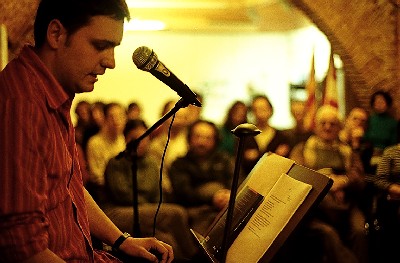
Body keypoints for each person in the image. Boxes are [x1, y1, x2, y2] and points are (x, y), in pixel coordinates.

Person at [0, 0, 174, 262]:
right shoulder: (21, 104)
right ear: (56, 34)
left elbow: (69, 185)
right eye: (100, 46)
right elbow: (23, 246)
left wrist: (122, 241)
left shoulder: (50, 93)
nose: (111, 62)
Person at [103, 119, 198, 260]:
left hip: (147, 213)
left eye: (144, 138)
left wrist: (155, 211)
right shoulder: (116, 162)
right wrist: (153, 209)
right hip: (119, 212)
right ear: (125, 138)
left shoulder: (152, 163)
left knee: (167, 240)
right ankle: (196, 256)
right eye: (135, 138)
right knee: (177, 213)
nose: (140, 142)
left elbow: (157, 195)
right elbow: (123, 195)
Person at [290, 105, 368, 263]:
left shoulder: (347, 151)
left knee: (360, 231)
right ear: (316, 126)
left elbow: (359, 177)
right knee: (328, 234)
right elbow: (296, 176)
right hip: (314, 208)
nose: (327, 127)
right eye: (323, 123)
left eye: (332, 124)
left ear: (339, 127)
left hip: (346, 204)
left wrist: (343, 182)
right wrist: (327, 184)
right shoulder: (302, 149)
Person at [168, 119, 238, 235]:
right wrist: (212, 197)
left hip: (226, 208)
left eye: (207, 138)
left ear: (215, 141)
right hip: (194, 212)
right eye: (197, 136)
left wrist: (227, 195)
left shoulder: (225, 160)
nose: (202, 142)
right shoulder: (179, 164)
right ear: (189, 138)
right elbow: (184, 193)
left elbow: (237, 180)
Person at [363, 90, 398, 171]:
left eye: (382, 101)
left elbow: (393, 143)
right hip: (369, 155)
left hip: (386, 157)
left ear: (387, 103)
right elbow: (364, 137)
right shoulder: (369, 119)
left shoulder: (393, 123)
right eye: (376, 101)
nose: (379, 104)